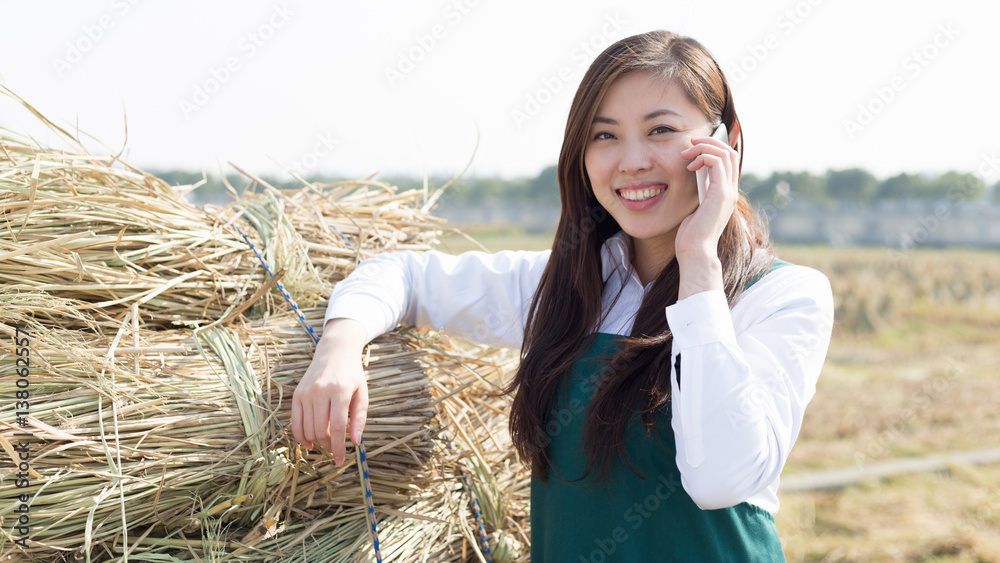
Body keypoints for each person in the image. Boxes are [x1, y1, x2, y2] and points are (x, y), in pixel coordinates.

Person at [291, 30, 834, 561]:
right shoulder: (564, 286)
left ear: (728, 140)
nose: (632, 160)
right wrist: (339, 348)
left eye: (662, 130)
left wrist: (698, 261)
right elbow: (402, 277)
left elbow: (720, 479)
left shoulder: (784, 297)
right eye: (605, 136)